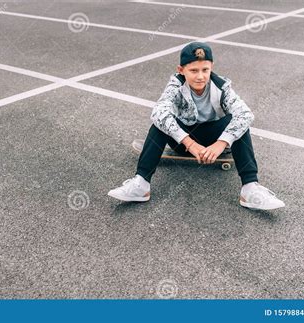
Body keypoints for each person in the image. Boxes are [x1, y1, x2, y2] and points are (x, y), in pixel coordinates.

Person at [108, 42, 285, 210]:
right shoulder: (175, 86)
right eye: (193, 70)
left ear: (211, 68)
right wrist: (190, 144)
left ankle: (250, 189)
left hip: (214, 142)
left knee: (239, 120)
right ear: (181, 70)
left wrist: (221, 143)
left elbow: (246, 114)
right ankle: (141, 184)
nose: (200, 76)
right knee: (159, 123)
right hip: (183, 142)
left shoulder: (221, 87)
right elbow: (158, 113)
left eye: (205, 70)